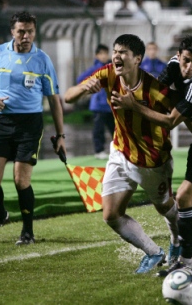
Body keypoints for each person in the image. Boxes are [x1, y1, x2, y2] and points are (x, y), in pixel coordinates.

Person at [111, 35, 192, 276]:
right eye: (185, 60)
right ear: (178, 56)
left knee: (183, 197)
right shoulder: (172, 66)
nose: (188, 67)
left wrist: (133, 106)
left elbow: (172, 120)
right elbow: (157, 94)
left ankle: (185, 263)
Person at [64, 34, 180, 274]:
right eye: (115, 51)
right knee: (111, 214)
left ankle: (177, 243)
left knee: (164, 206)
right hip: (120, 151)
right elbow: (68, 97)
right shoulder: (107, 74)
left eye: (123, 52)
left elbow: (173, 120)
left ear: (137, 59)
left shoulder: (154, 89)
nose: (116, 56)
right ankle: (154, 253)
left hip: (152, 160)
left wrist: (135, 106)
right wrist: (86, 87)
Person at [0, 11, 66, 245]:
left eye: (30, 31)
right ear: (12, 32)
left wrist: (61, 135)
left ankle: (27, 232)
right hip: (0, 123)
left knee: (21, 180)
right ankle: (0, 215)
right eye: (21, 31)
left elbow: (54, 100)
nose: (26, 36)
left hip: (29, 125)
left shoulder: (42, 59)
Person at [76, 44, 115, 159]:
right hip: (98, 106)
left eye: (106, 53)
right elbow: (80, 80)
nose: (104, 56)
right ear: (97, 55)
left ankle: (119, 150)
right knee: (99, 129)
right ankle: (99, 150)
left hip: (110, 105)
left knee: (115, 129)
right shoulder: (94, 69)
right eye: (101, 53)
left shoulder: (112, 68)